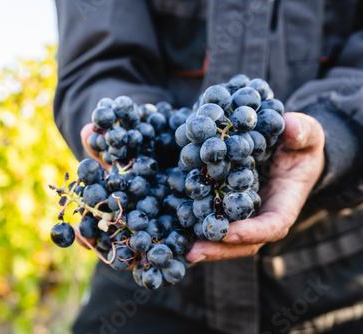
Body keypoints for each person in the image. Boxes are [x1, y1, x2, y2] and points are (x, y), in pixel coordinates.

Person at [53, 1, 363, 333]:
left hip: (332, 266)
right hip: (148, 277)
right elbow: (99, 62)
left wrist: (339, 133)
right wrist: (126, 140)